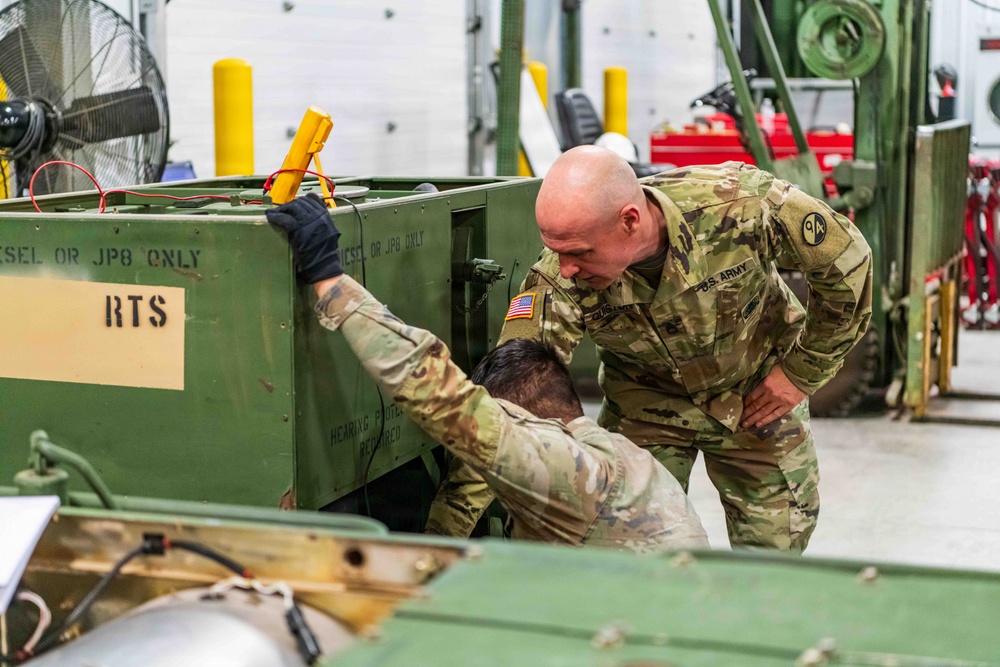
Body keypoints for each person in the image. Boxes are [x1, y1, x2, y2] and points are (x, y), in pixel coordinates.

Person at [427, 147, 873, 552]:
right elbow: (506, 410)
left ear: (630, 221)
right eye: (556, 251)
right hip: (646, 408)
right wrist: (441, 540)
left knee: (774, 557)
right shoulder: (559, 279)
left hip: (757, 395)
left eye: (579, 252)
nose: (566, 268)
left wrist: (802, 373)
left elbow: (848, 263)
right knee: (624, 552)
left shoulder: (741, 206)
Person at [266, 194, 709, 553]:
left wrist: (328, 278)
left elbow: (439, 394)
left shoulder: (563, 468)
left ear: (530, 423)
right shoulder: (616, 454)